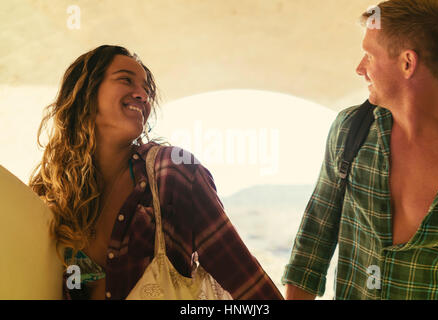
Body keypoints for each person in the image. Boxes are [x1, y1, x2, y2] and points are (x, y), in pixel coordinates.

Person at [29, 45, 283, 300]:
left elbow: (251, 288)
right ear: (86, 93)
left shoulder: (172, 173)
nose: (142, 95)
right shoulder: (51, 195)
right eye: (126, 80)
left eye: (147, 90)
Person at [283, 0, 438, 300]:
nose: (359, 68)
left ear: (407, 63)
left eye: (369, 56)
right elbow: (310, 250)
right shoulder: (351, 130)